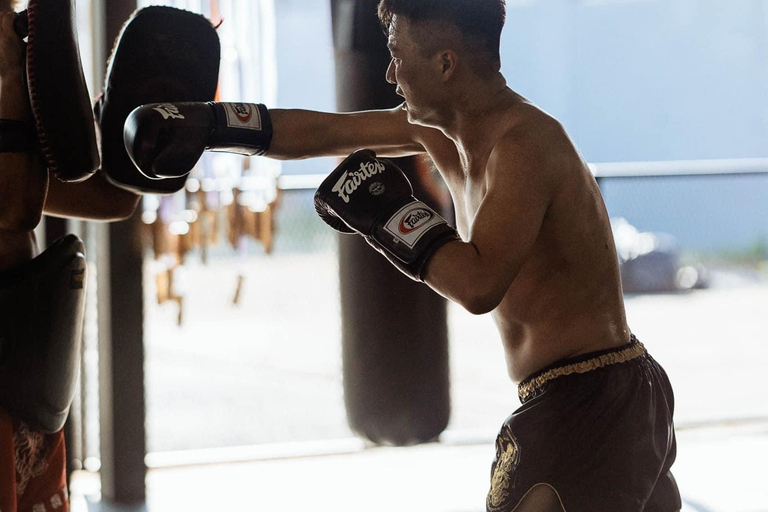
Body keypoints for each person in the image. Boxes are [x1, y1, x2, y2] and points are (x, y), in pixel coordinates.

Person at [124, 0, 681, 510]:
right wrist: (208, 125)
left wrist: (386, 215)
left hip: (589, 397)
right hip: (604, 389)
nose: (388, 74)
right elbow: (321, 130)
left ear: (445, 64)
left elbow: (480, 284)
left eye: (397, 57)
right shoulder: (443, 132)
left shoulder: (525, 147)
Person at [0, 6, 140, 511]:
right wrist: (13, 69)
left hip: (26, 391)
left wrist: (132, 118)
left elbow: (111, 198)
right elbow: (13, 209)